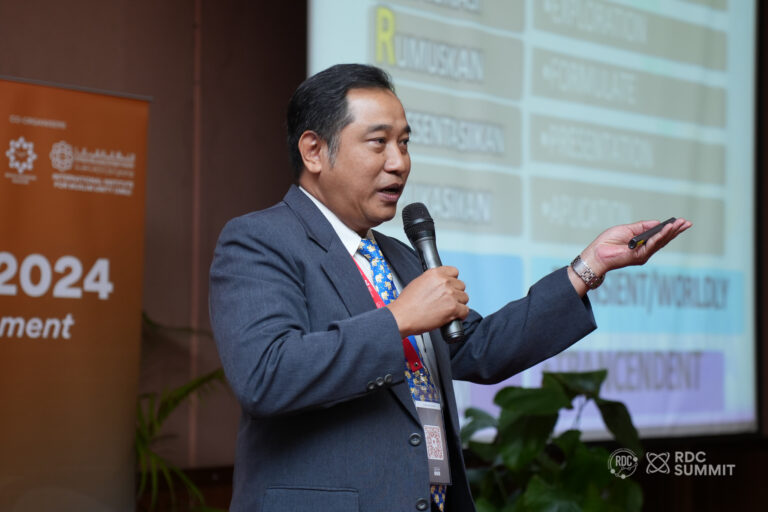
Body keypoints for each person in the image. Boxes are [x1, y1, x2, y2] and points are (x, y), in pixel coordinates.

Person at [209, 63, 691, 512]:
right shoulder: (260, 240)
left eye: (405, 143)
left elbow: (479, 349)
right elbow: (265, 375)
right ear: (314, 151)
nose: (399, 162)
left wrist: (589, 267)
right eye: (378, 143)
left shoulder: (397, 256)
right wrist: (399, 319)